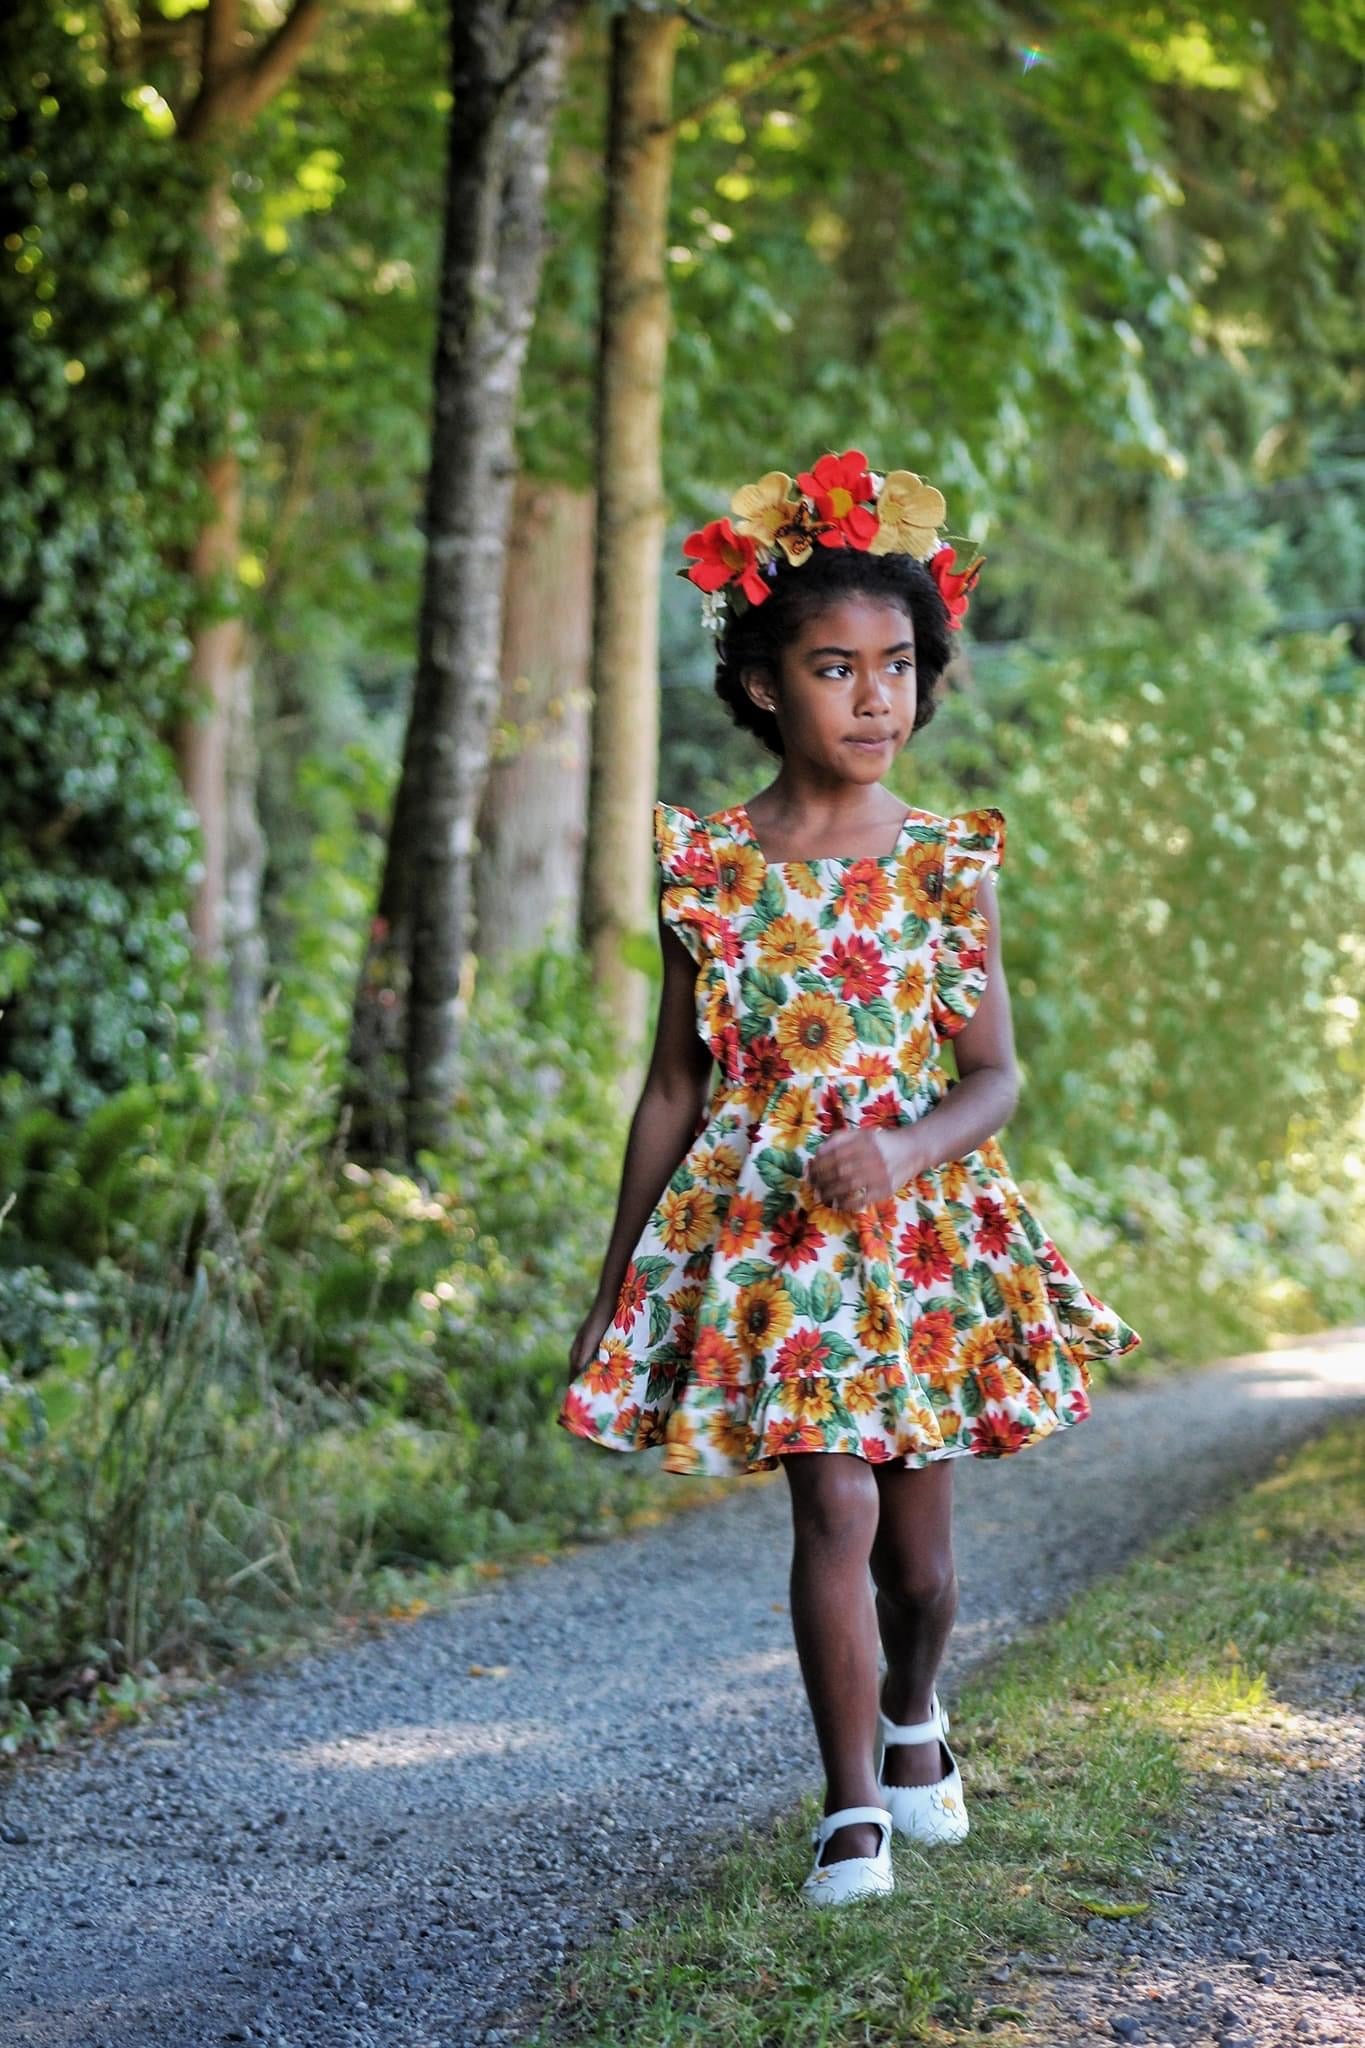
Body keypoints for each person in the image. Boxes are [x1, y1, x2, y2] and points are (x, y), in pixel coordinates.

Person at [557, 450, 1141, 1909]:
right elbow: (673, 1085)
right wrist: (618, 1284)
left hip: (918, 1238)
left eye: (897, 666)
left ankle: (913, 1718)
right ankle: (846, 1815)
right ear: (763, 685)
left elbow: (995, 1076)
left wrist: (898, 1146)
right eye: (835, 668)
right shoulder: (706, 868)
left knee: (922, 1572)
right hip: (770, 1248)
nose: (875, 698)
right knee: (832, 1510)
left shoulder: (946, 866)